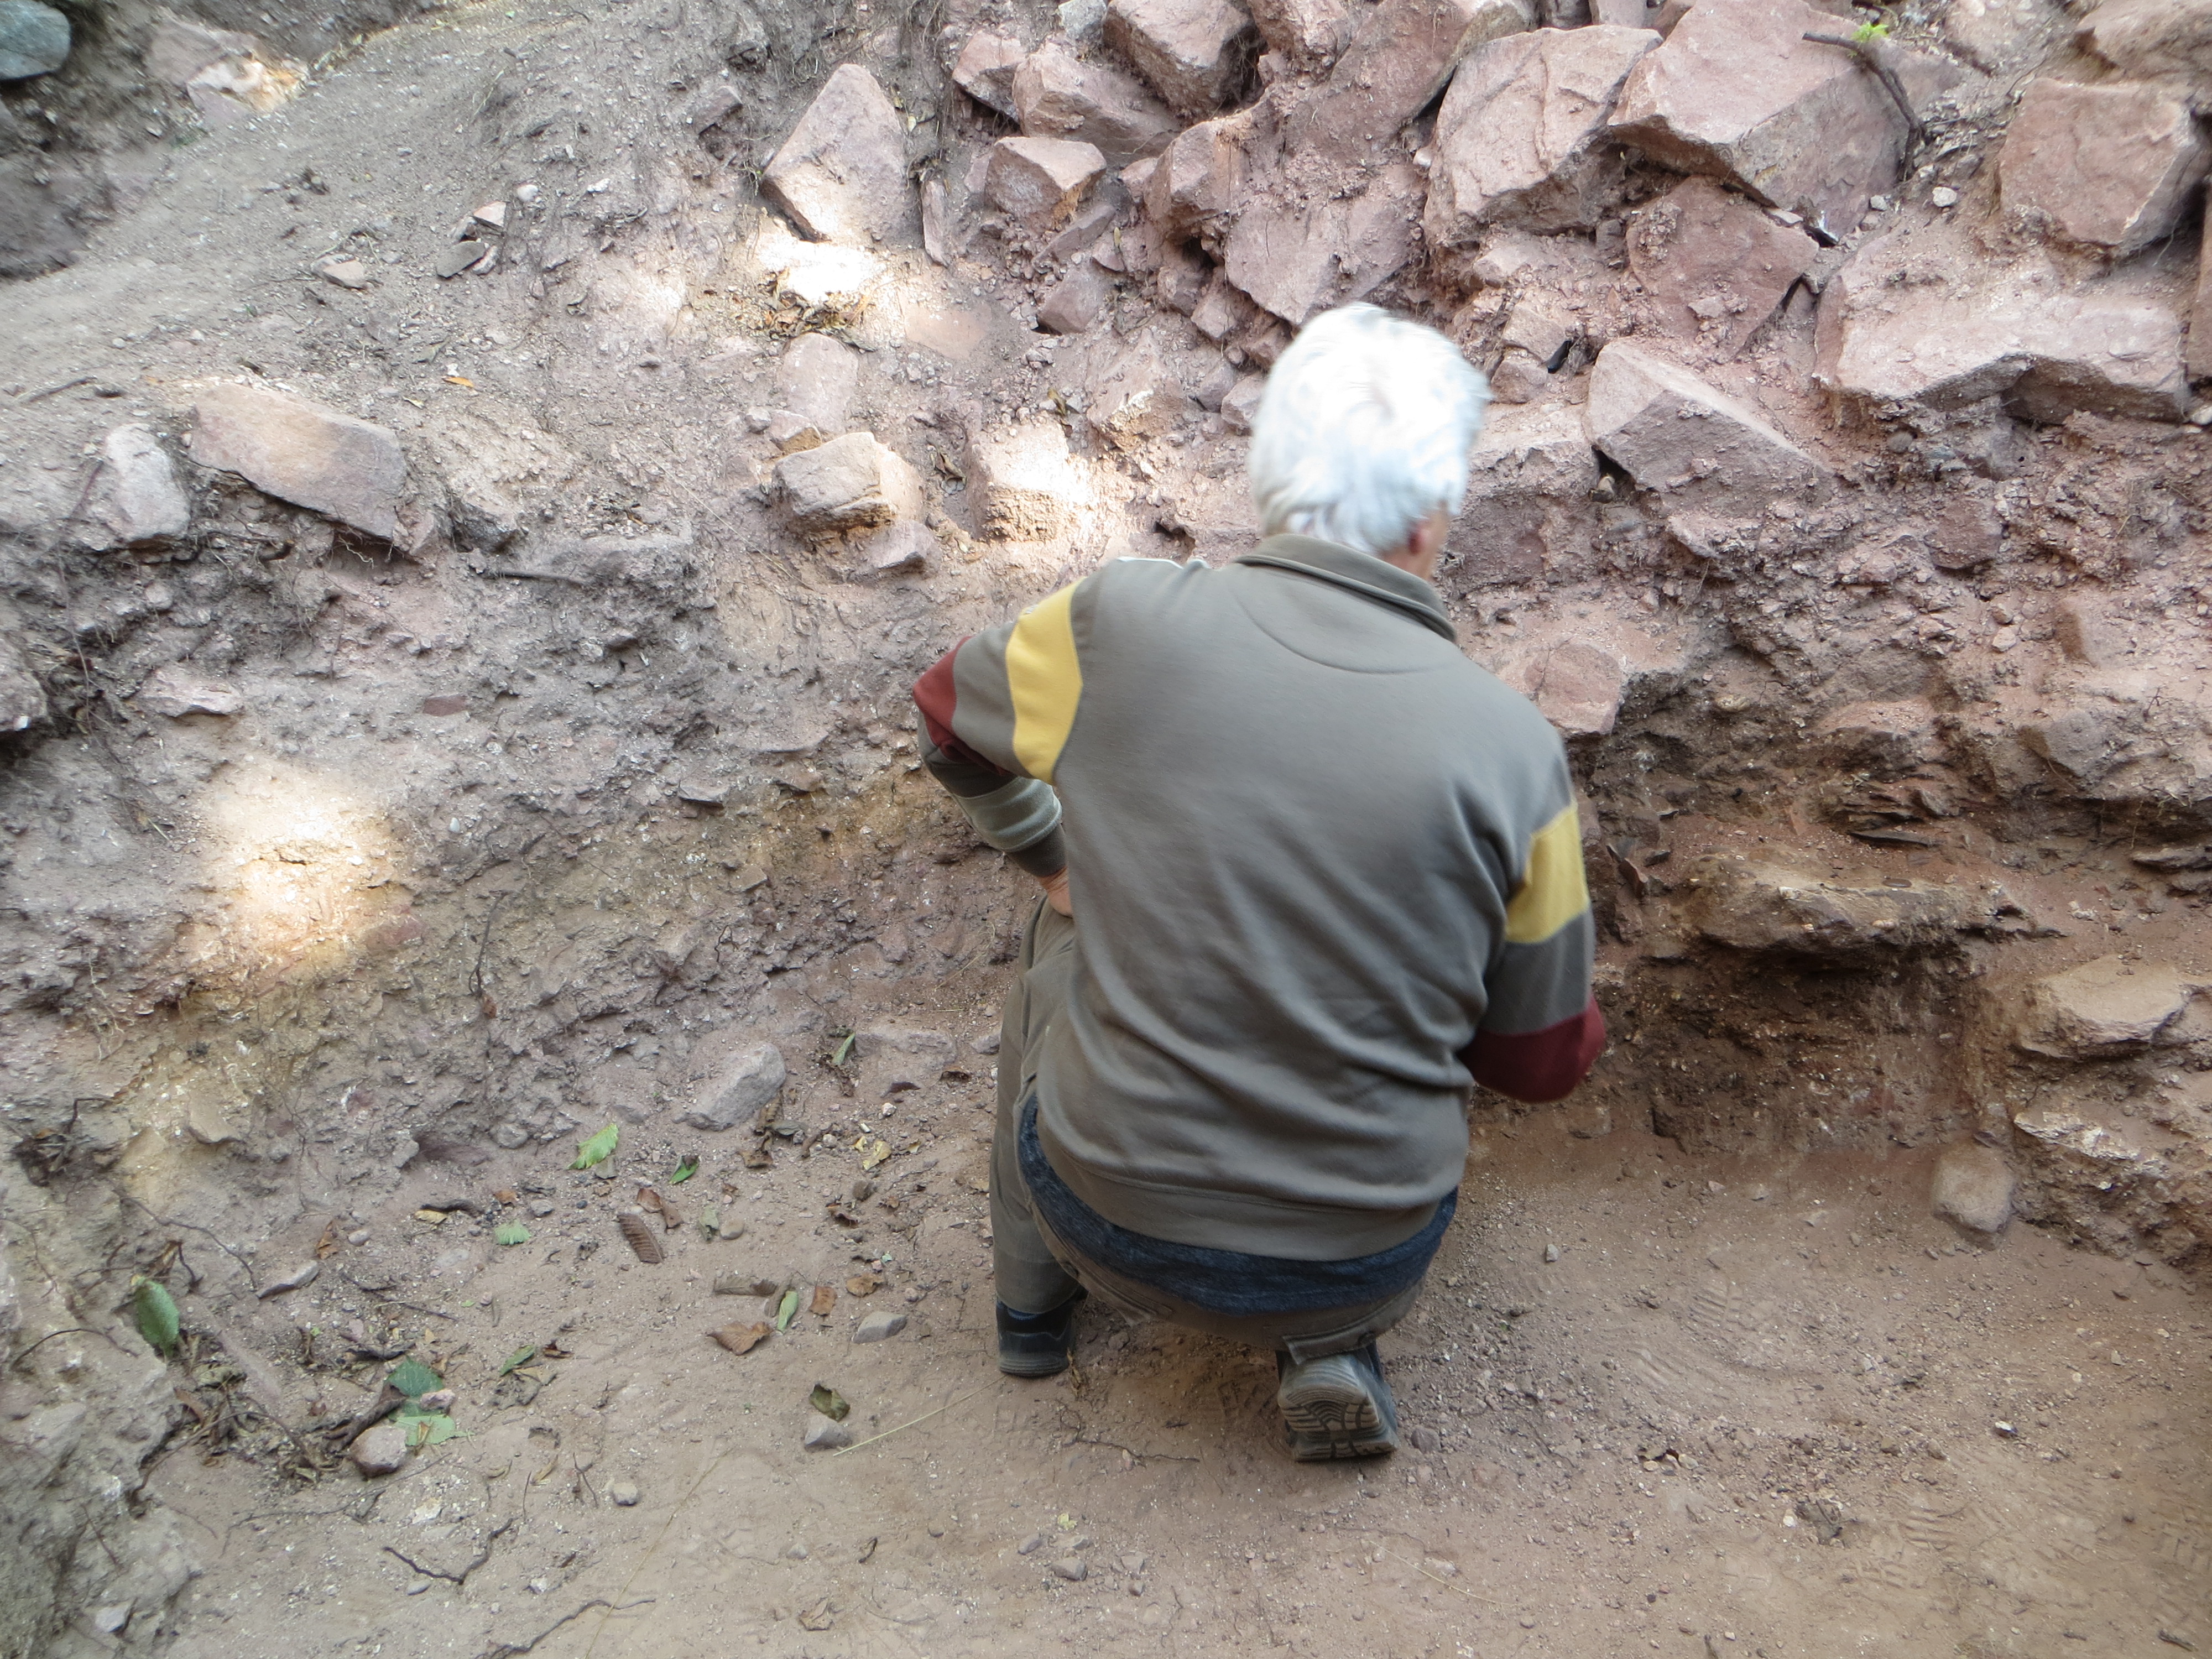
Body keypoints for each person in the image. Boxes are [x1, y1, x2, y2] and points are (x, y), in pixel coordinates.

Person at [910, 302, 1604, 1461]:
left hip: (1104, 1224)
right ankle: (1326, 1346)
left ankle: (1030, 1312)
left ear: (1272, 484)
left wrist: (1054, 859)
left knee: (1058, 931)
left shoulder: (1116, 624)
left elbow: (945, 719)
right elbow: (1538, 1066)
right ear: (1427, 522)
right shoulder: (1513, 749)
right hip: (1366, 1262)